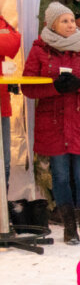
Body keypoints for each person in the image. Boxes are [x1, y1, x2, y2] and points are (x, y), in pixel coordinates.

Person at [21, 1, 80, 244]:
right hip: (53, 124)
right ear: (52, 24)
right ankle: (69, 226)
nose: (71, 25)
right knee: (60, 177)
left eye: (72, 20)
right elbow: (27, 87)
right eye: (65, 21)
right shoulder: (39, 51)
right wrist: (54, 88)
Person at [1, 13, 21, 190]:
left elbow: (12, 44)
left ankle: (3, 204)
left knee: (4, 162)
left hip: (2, 106)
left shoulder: (1, 22)